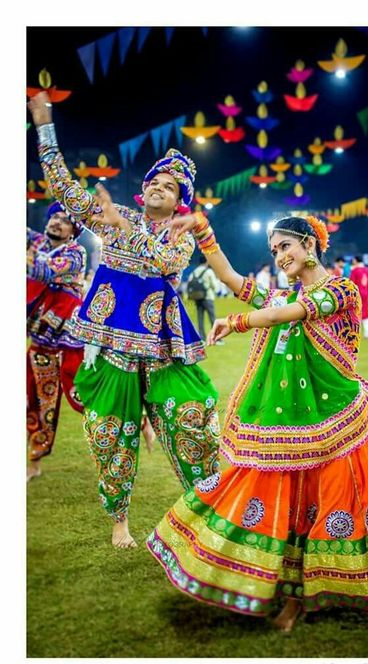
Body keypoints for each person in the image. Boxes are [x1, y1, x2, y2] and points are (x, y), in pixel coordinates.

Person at [136, 212, 368, 631]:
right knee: (291, 510)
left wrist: (237, 321)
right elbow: (230, 277)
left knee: (340, 505)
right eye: (274, 250)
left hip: (339, 424)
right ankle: (290, 597)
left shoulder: (342, 289)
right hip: (290, 430)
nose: (280, 256)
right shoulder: (280, 297)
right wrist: (204, 231)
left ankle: (353, 585)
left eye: (285, 246)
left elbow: (295, 313)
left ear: (309, 244)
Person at [28, 91, 220, 549]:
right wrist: (44, 123)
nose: (158, 187)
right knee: (108, 430)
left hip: (162, 347)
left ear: (180, 203)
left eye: (170, 187)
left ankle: (211, 511)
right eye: (154, 181)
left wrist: (125, 226)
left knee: (192, 417)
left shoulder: (181, 234)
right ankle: (120, 522)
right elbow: (62, 186)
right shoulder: (116, 217)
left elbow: (160, 263)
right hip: (111, 344)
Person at [27, 202, 86, 481]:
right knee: (34, 401)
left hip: (70, 345)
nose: (57, 223)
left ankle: (132, 426)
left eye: (65, 221)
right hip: (40, 339)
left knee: (85, 398)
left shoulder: (75, 253)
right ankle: (34, 462)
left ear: (73, 232)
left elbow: (44, 272)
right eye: (55, 217)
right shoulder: (37, 243)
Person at [187, 256, 222, 342]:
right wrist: (217, 291)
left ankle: (201, 337)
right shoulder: (208, 271)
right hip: (208, 297)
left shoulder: (194, 272)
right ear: (207, 262)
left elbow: (189, 282)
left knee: (200, 318)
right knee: (212, 318)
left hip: (197, 297)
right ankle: (216, 338)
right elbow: (214, 285)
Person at [350, 255, 368, 338]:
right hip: (365, 294)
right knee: (365, 312)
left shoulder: (354, 270)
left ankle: (356, 333)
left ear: (356, 260)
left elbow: (352, 283)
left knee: (356, 312)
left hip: (357, 294)